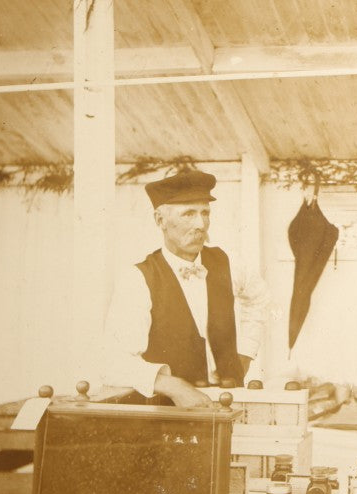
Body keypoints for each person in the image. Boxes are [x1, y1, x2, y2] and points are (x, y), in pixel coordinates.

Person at [102, 169, 267, 406]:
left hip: (228, 405)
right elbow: (114, 361)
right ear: (160, 221)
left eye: (205, 213)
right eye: (188, 214)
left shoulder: (231, 262)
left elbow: (259, 299)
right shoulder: (137, 279)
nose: (201, 224)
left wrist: (246, 353)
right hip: (169, 415)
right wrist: (174, 386)